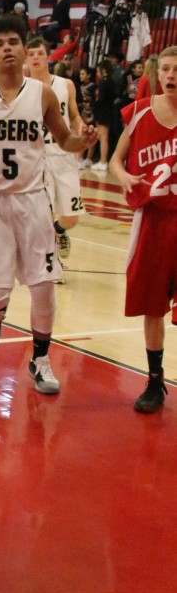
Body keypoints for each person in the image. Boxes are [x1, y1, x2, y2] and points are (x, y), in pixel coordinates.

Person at [0, 14, 97, 394]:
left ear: (25, 51)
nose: (7, 48)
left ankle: (39, 360)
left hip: (33, 201)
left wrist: (82, 142)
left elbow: (65, 140)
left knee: (43, 285)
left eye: (13, 42)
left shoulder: (44, 95)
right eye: (0, 43)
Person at [109, 46, 177, 413]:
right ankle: (155, 382)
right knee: (153, 306)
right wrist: (124, 176)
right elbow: (114, 161)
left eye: (176, 70)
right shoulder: (139, 113)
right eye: (165, 69)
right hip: (152, 220)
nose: (170, 76)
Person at [25, 37, 85, 264]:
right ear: (26, 58)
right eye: (31, 54)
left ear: (48, 56)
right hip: (37, 157)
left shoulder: (65, 85)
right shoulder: (22, 86)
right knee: (43, 214)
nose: (36, 58)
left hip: (64, 155)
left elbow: (74, 115)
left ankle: (59, 231)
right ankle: (51, 264)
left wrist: (81, 131)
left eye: (40, 53)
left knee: (71, 218)